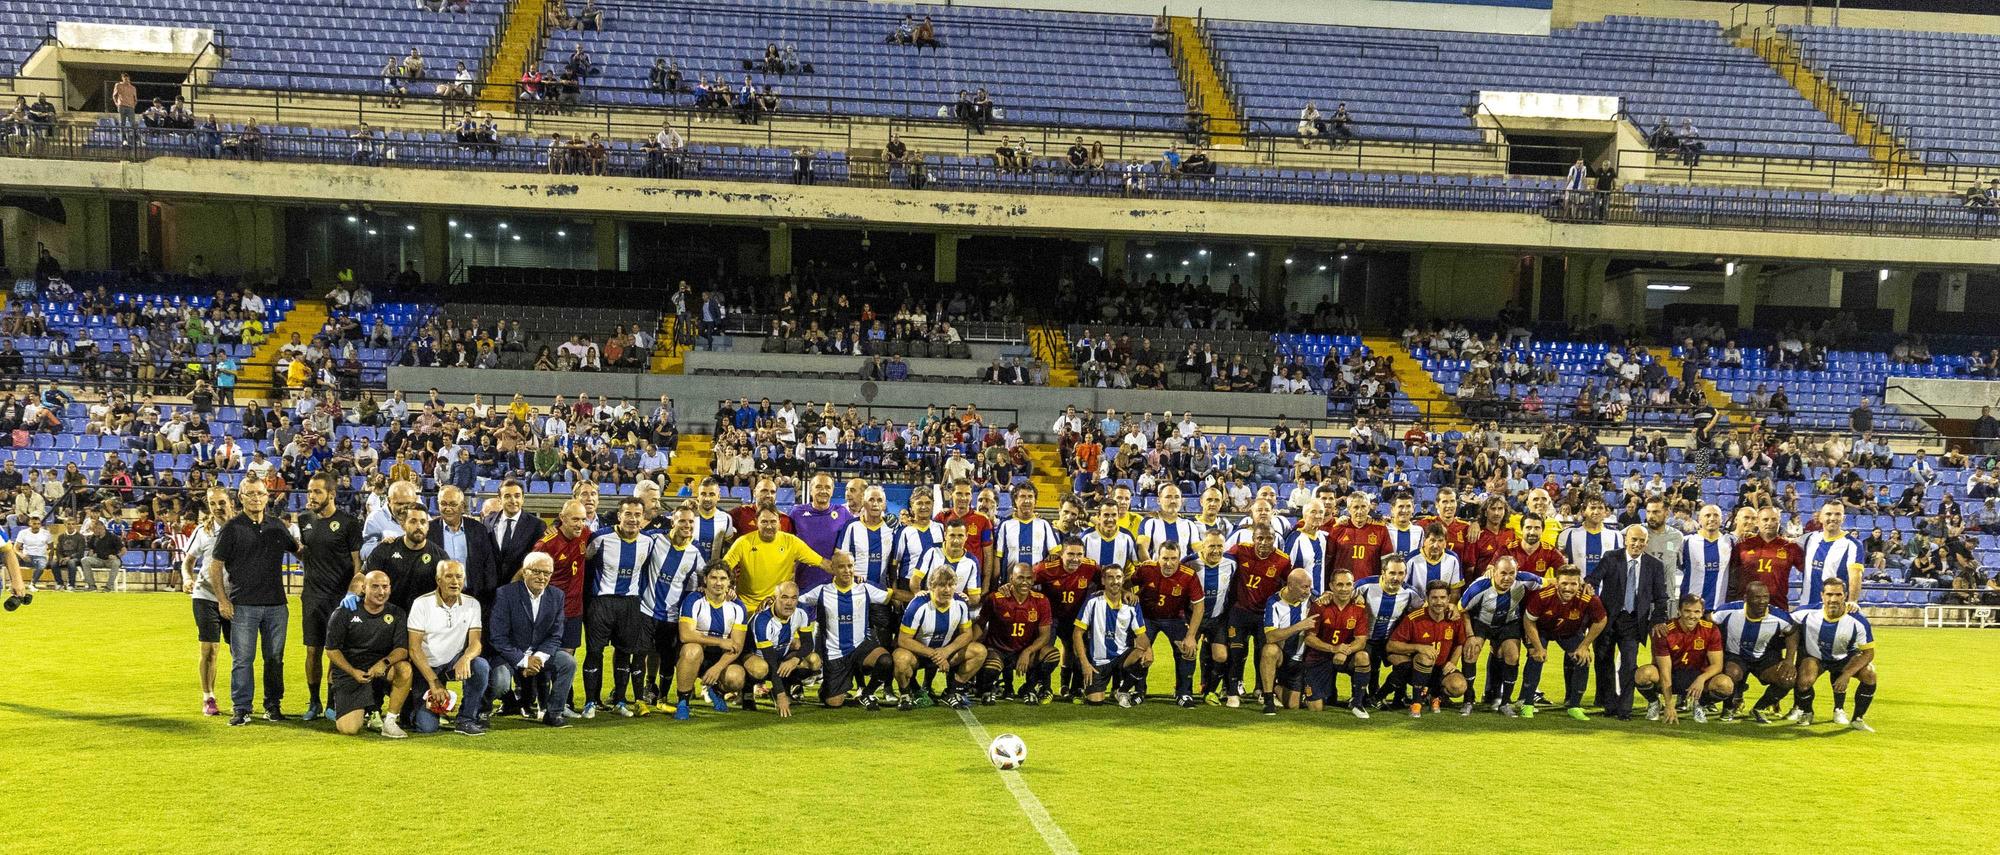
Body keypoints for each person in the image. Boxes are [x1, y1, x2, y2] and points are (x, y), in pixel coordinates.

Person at [208, 479, 301, 726]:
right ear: (241, 497)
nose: (256, 498)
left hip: (276, 604)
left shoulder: (277, 526)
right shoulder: (232, 528)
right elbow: (215, 566)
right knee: (242, 659)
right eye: (250, 494)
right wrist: (222, 600)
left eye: (260, 493)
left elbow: (299, 551)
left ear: (268, 496)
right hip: (243, 605)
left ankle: (273, 706)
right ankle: (242, 708)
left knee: (274, 658)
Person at [581, 497, 664, 718]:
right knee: (594, 652)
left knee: (624, 653)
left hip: (630, 604)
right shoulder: (600, 538)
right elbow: (585, 563)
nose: (633, 519)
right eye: (628, 514)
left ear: (643, 517)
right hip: (601, 602)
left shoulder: (648, 542)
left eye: (637, 514)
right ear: (619, 516)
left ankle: (620, 700)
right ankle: (590, 702)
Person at [296, 473, 363, 722]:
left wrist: (354, 594)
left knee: (336, 653)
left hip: (340, 599)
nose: (311, 497)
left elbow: (358, 563)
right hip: (312, 597)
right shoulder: (304, 521)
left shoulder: (348, 523)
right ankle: (314, 701)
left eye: (317, 492)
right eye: (309, 492)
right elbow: (308, 553)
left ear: (331, 495)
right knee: (312, 651)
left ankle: (332, 703)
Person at [1586, 525, 1671, 720]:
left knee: (1629, 665)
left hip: (1634, 622)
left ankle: (1625, 710)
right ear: (1626, 539)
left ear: (1646, 543)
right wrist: (1590, 586)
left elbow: (1661, 597)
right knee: (1603, 661)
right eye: (1634, 540)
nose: (1637, 544)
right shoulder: (1610, 557)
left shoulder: (1654, 565)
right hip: (1607, 619)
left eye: (1641, 541)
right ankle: (1609, 705)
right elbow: (1594, 578)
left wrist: (1658, 619)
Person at [487, 552, 576, 728]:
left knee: (568, 662)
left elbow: (555, 634)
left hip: (538, 654)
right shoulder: (505, 594)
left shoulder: (557, 596)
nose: (542, 577)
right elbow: (498, 637)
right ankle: (480, 711)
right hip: (508, 654)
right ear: (525, 572)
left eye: (547, 573)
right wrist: (524, 661)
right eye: (536, 571)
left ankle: (553, 713)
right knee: (500, 683)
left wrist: (538, 659)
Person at [325, 571, 413, 737]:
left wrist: (384, 663)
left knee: (405, 669)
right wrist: (352, 671)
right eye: (375, 587)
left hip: (380, 669)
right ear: (363, 588)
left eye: (385, 587)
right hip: (351, 672)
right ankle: (366, 708)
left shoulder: (397, 613)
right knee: (349, 729)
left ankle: (390, 722)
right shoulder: (344, 612)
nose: (381, 592)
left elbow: (402, 649)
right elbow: (331, 649)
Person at [802, 550, 894, 709]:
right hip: (835, 653)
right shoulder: (822, 591)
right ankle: (827, 689)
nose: (847, 570)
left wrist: (923, 595)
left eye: (850, 566)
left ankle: (867, 693)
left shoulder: (864, 589)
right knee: (833, 703)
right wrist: (772, 599)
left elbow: (891, 595)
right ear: (833, 568)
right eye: (842, 567)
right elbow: (795, 599)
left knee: (885, 660)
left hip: (860, 647)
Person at [406, 560, 488, 735]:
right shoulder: (421, 604)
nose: (455, 582)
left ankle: (466, 719)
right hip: (426, 667)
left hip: (453, 663)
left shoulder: (472, 604)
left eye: (459, 577)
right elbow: (414, 648)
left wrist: (466, 658)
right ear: (438, 580)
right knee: (426, 728)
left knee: (480, 666)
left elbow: (476, 643)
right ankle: (410, 709)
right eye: (449, 576)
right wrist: (433, 682)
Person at [1520, 564, 1606, 720]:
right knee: (1535, 657)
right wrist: (1538, 647)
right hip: (1542, 630)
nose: (1568, 588)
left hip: (1569, 632)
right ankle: (1527, 704)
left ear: (1579, 584)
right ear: (1556, 582)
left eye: (1573, 584)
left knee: (1583, 659)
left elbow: (1601, 620)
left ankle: (1574, 706)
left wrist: (1584, 646)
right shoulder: (1542, 596)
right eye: (1564, 583)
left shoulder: (1588, 599)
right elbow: (1528, 620)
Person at [1458, 555, 1541, 715]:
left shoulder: (1525, 580)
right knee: (1471, 653)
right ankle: (1468, 700)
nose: (1507, 578)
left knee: (1513, 656)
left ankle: (1505, 703)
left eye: (1511, 573)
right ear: (1494, 572)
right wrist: (1469, 635)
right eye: (1503, 573)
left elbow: (1550, 583)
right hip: (1481, 623)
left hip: (1508, 624)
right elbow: (1461, 609)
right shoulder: (1479, 587)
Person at [1220, 524, 1291, 707]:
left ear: (1274, 540)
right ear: (1253, 539)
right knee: (1236, 651)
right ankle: (1232, 691)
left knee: (1263, 652)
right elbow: (1221, 560)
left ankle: (1261, 690)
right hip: (1239, 611)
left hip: (1264, 615)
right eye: (1260, 538)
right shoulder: (1240, 549)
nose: (1264, 542)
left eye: (1268, 538)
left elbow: (1289, 584)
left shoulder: (1283, 560)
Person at [1793, 579, 1877, 731]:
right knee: (1804, 680)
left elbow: (1868, 653)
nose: (1833, 599)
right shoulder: (1806, 612)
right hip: (1817, 658)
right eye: (1829, 594)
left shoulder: (1858, 620)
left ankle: (1857, 719)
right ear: (1822, 595)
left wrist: (1847, 675)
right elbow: (1783, 622)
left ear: (1845, 596)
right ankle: (1807, 712)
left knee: (1870, 674)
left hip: (1845, 658)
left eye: (1838, 594)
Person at [1127, 540, 1204, 706]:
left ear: (1179, 558)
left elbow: (1199, 606)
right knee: (1139, 651)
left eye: (1173, 558)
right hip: (1147, 618)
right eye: (1165, 558)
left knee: (1188, 649)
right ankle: (1138, 691)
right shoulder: (1146, 569)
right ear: (1157, 557)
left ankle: (1183, 693)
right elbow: (1126, 584)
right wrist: (1126, 593)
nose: (1169, 563)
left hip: (1174, 618)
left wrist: (1191, 636)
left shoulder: (1188, 575)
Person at [894, 568, 981, 710]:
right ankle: (906, 694)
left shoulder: (960, 604)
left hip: (946, 653)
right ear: (931, 587)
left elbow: (967, 634)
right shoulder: (918, 605)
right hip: (919, 655)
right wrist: (935, 654)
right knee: (900, 658)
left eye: (950, 585)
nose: (946, 590)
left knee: (979, 651)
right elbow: (903, 640)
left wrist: (946, 651)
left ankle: (953, 692)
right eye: (941, 585)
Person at [1635, 594, 1730, 724]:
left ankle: (1700, 704)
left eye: (1697, 611)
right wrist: (1669, 705)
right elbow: (1664, 671)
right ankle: (1654, 703)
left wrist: (1701, 679)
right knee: (1643, 674)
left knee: (1725, 685)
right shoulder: (1664, 631)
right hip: (1671, 675)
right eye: (1687, 611)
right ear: (1679, 611)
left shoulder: (1711, 630)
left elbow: (1717, 665)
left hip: (1697, 677)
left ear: (1702, 612)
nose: (1692, 616)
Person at [1710, 581, 1797, 723]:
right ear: (1746, 598)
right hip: (1735, 656)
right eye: (1757, 597)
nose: (1762, 601)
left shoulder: (1779, 617)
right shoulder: (1727, 611)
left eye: (1766, 597)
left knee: (1787, 678)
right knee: (1733, 673)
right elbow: (1710, 622)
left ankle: (1759, 708)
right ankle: (1729, 707)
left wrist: (1788, 660)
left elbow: (1792, 632)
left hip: (1763, 658)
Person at [181, 487, 232, 716]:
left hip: (235, 598)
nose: (218, 507)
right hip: (205, 595)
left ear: (231, 502)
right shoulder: (203, 531)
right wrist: (186, 578)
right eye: (213, 504)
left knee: (240, 652)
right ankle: (208, 697)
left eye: (221, 502)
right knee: (209, 649)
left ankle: (240, 698)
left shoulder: (242, 527)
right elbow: (188, 561)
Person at [673, 565, 748, 719]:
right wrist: (720, 642)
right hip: (694, 655)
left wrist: (717, 668)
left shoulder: (738, 607)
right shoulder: (694, 599)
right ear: (705, 580)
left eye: (723, 579)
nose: (718, 583)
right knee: (692, 650)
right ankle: (683, 701)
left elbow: (737, 646)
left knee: (736, 677)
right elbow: (685, 635)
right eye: (713, 578)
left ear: (729, 582)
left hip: (720, 658)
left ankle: (716, 691)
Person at [722, 502, 825, 612]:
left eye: (773, 521)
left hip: (777, 606)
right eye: (764, 522)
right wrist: (726, 588)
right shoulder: (743, 542)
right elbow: (722, 569)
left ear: (779, 522)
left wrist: (841, 575)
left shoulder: (791, 542)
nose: (769, 526)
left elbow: (822, 562)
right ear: (756, 522)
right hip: (745, 606)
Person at [981, 561, 1057, 705]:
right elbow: (980, 625)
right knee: (992, 666)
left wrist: (1027, 651)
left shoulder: (1041, 601)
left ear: (1033, 579)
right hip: (999, 650)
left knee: (1052, 655)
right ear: (1011, 578)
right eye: (1020, 578)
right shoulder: (996, 599)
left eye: (1029, 578)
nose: (1025, 582)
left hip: (1023, 650)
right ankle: (987, 689)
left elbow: (1045, 635)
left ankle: (1028, 689)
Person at [1303, 568, 1373, 718]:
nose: (1344, 589)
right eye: (1340, 585)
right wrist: (1333, 648)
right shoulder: (1319, 606)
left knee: (1363, 656)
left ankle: (1357, 703)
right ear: (1331, 586)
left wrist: (1343, 651)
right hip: (1319, 658)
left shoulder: (1359, 608)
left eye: (1348, 584)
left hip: (1344, 656)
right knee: (1316, 708)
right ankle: (1313, 691)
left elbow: (1361, 641)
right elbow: (1309, 638)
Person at [743, 581, 817, 717]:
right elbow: (770, 659)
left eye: (793, 598)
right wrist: (780, 695)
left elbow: (808, 644)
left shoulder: (801, 612)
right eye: (784, 597)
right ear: (775, 598)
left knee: (814, 660)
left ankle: (786, 687)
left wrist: (794, 659)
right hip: (756, 657)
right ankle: (747, 691)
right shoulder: (763, 620)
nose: (789, 602)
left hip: (780, 656)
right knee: (761, 668)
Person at [1257, 567, 1317, 715]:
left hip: (1300, 659)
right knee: (1269, 650)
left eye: (1310, 586)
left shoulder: (1312, 597)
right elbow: (1270, 636)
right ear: (1290, 585)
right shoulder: (1274, 602)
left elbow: (1329, 599)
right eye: (1304, 587)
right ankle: (1268, 699)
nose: (1308, 591)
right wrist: (1299, 626)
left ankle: (1275, 686)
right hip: (1282, 658)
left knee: (1293, 705)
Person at [364, 505, 445, 613]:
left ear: (428, 526)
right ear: (402, 525)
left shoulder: (440, 556)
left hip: (424, 619)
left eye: (423, 522)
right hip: (389, 618)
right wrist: (351, 594)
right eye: (413, 521)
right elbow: (364, 575)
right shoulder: (385, 549)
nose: (419, 526)